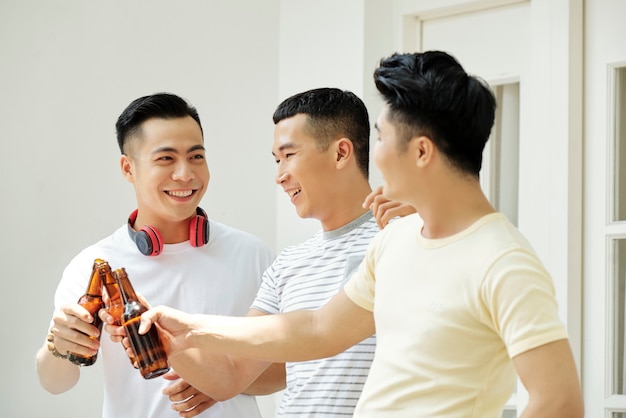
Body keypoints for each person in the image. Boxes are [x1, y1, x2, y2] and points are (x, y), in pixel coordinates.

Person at [137, 51, 585, 418]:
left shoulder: (503, 261)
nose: (376, 154)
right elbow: (315, 328)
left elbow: (559, 402)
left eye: (383, 138)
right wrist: (191, 328)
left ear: (422, 151)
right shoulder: (398, 242)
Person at [108, 87, 414, 416]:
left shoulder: (404, 239)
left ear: (341, 153)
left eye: (290, 155)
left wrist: (425, 225)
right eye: (276, 159)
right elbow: (231, 376)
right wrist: (169, 342)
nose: (280, 176)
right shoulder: (286, 266)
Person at [35, 93, 275, 418]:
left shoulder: (251, 253)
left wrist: (220, 380)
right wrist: (58, 347)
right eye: (166, 159)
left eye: (196, 157)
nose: (185, 174)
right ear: (128, 168)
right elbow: (55, 383)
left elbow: (288, 369)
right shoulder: (93, 265)